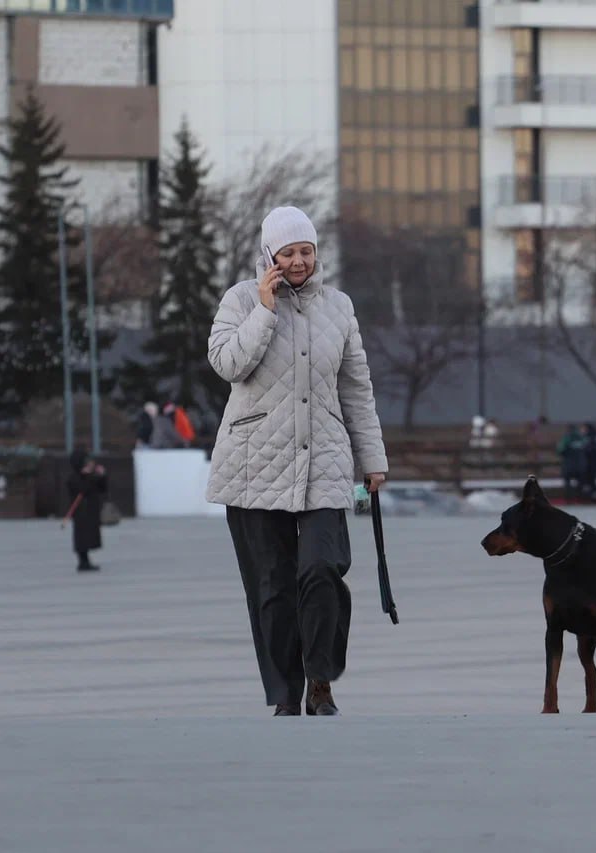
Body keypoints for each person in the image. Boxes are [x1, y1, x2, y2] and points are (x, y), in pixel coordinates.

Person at [206, 205, 388, 717]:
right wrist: (264, 311)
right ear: (270, 256)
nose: (299, 260)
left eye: (306, 250)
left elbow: (356, 386)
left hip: (325, 460)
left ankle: (321, 678)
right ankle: (284, 693)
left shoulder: (339, 307)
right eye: (288, 252)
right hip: (252, 463)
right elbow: (227, 364)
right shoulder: (241, 300)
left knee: (323, 569)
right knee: (272, 587)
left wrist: (372, 458)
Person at [67, 448, 108, 572]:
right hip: (80, 510)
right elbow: (82, 490)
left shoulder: (90, 475)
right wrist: (88, 476)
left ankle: (86, 561)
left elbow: (102, 489)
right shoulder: (73, 478)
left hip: (91, 509)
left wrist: (102, 476)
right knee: (81, 537)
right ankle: (82, 561)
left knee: (89, 535)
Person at [557, 425, 587, 501]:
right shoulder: (582, 439)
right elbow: (587, 449)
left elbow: (560, 450)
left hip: (568, 466)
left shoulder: (566, 439)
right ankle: (580, 498)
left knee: (567, 483)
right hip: (580, 466)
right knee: (580, 483)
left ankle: (568, 499)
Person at [582, 423, 596, 502]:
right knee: (592, 480)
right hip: (595, 462)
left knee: (590, 481)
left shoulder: (588, 437)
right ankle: (594, 496)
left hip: (589, 463)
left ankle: (591, 497)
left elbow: (589, 449)